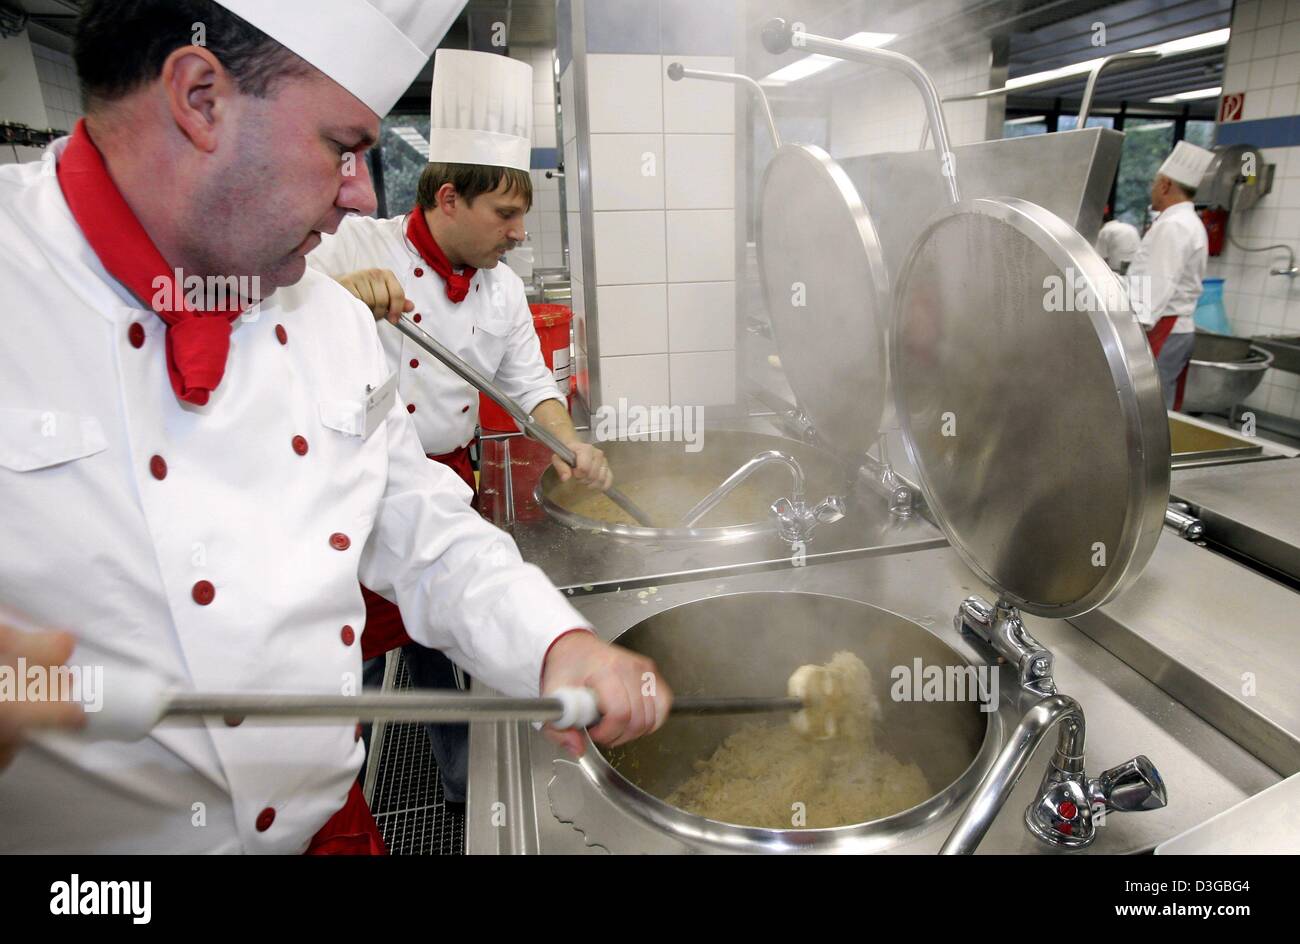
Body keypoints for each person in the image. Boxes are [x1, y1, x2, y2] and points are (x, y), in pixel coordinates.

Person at [0, 0, 670, 854]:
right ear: (200, 96)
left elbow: (421, 524)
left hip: (333, 833)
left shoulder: (323, 318)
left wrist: (553, 643)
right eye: (342, 148)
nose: (360, 192)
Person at [308, 50, 610, 804]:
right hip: (347, 496)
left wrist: (565, 441)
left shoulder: (502, 291)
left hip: (445, 483)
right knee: (355, 658)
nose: (516, 235)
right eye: (506, 215)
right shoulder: (354, 248)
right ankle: (344, 779)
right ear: (449, 197)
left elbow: (529, 384)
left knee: (444, 645)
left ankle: (460, 789)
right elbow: (261, 314)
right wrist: (337, 297)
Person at [1128, 141, 1213, 410]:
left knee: (1150, 411)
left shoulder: (1174, 226)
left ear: (1165, 184)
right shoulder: (1187, 222)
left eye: (1155, 183)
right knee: (1159, 407)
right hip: (1172, 327)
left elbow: (1155, 288)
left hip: (1163, 329)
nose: (1152, 189)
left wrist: (1130, 334)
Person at [1095, 204, 1140, 274]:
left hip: (1115, 275)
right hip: (1136, 273)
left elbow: (1100, 260)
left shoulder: (1104, 231)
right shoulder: (1131, 227)